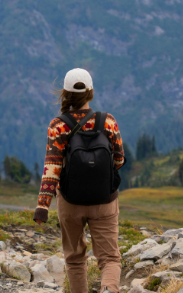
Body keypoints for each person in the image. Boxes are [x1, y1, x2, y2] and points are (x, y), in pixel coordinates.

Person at [33, 68, 125, 293]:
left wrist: (42, 206)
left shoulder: (58, 125)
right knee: (110, 258)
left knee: (74, 259)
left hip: (70, 203)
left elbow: (52, 168)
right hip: (104, 201)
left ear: (65, 94)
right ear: (90, 93)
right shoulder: (108, 121)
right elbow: (119, 160)